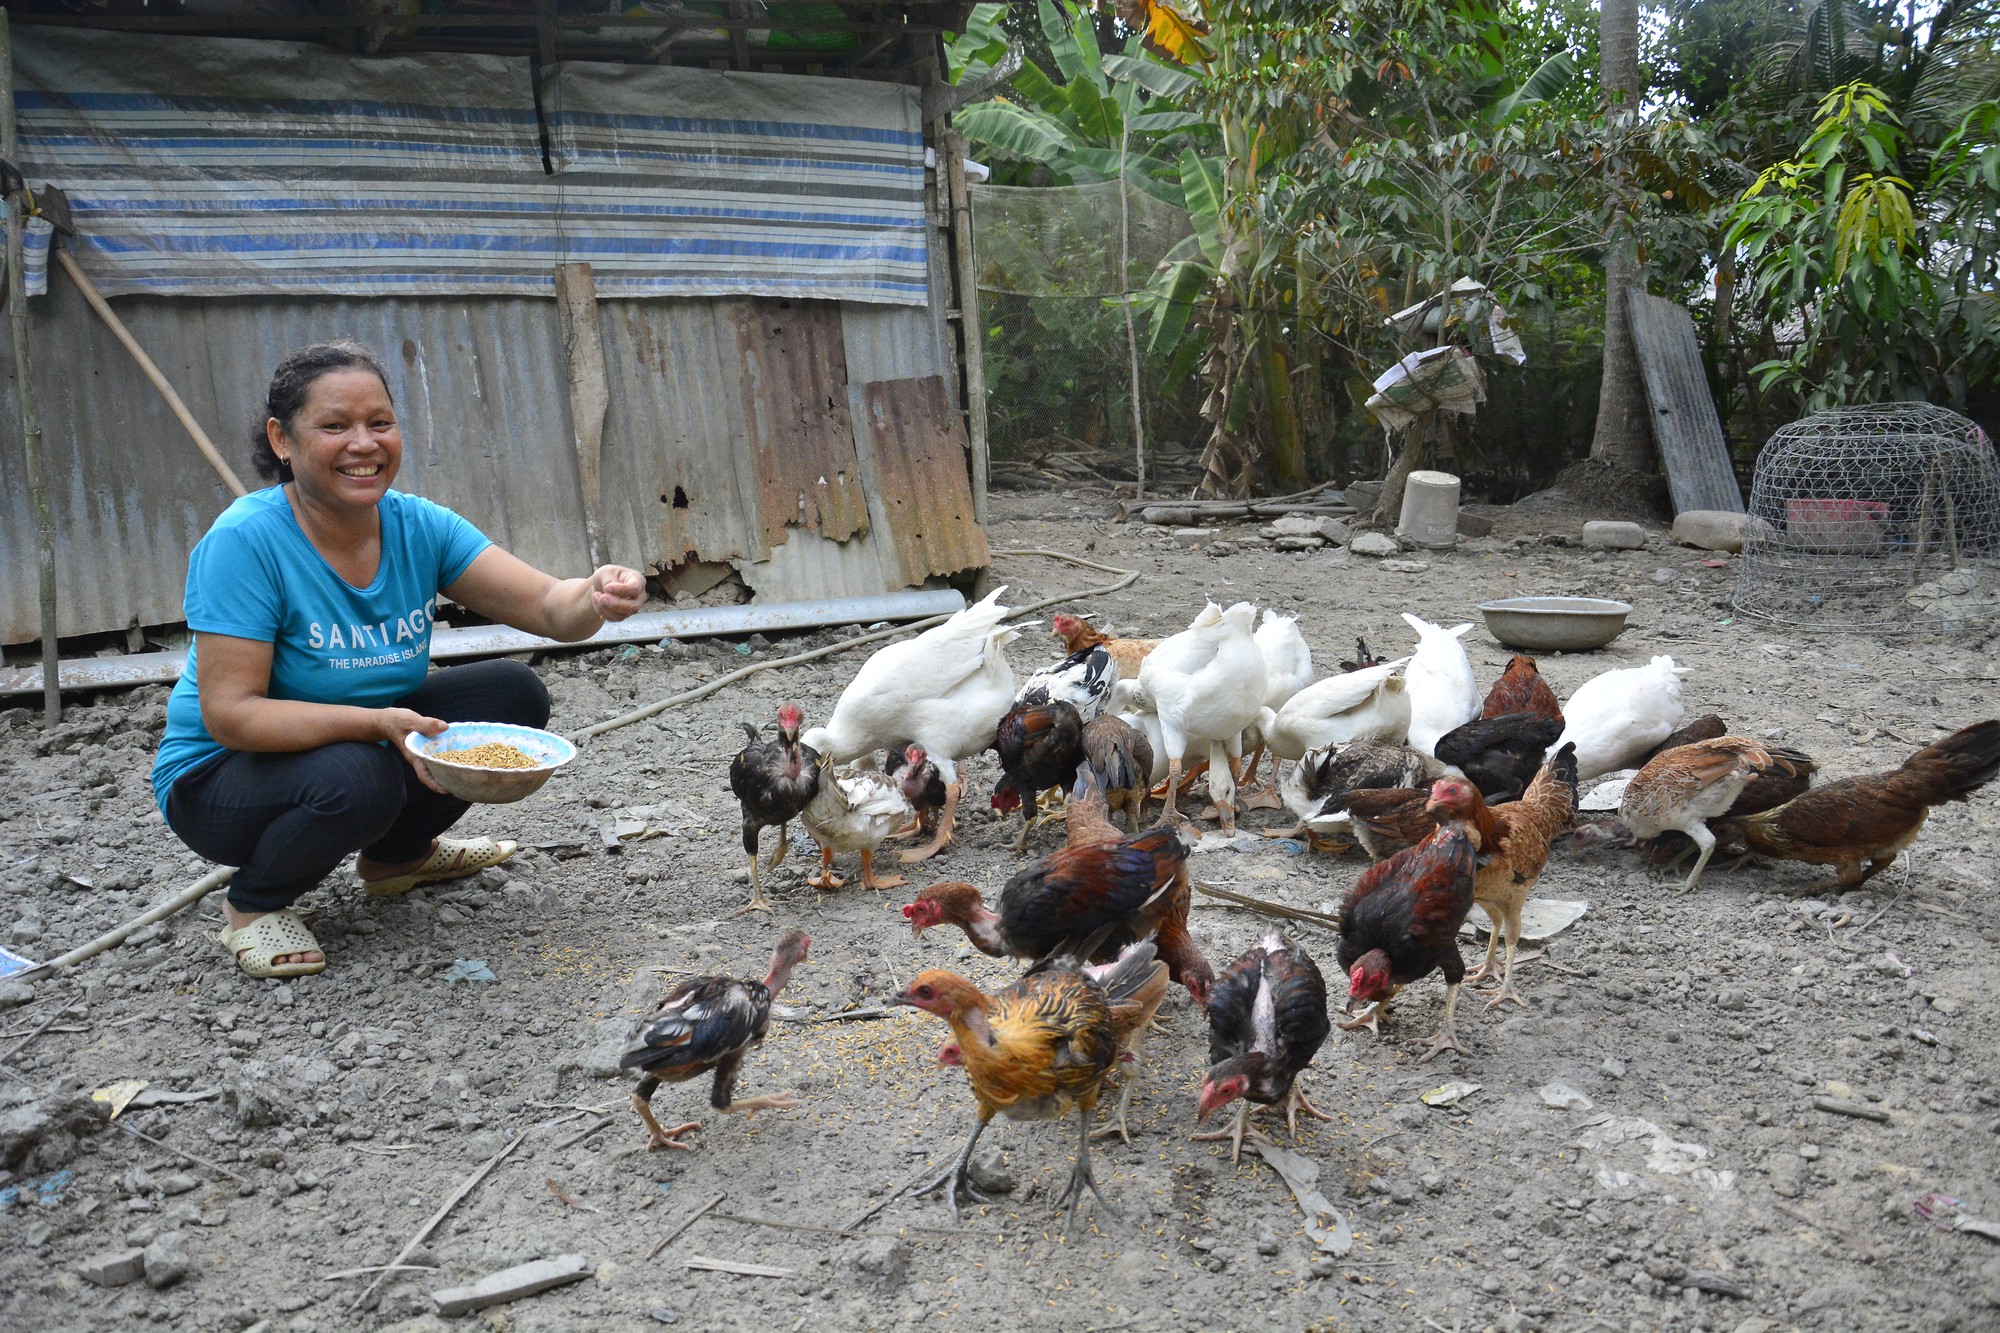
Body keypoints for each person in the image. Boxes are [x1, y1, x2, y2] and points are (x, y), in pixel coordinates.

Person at [149, 340, 646, 979]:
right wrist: (378, 725)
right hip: (222, 778)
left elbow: (552, 607)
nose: (364, 444)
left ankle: (397, 858)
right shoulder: (244, 543)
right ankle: (254, 904)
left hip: (362, 743)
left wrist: (597, 594)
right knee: (363, 775)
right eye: (335, 426)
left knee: (512, 694)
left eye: (379, 423)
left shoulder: (417, 526)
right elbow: (231, 715)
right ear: (282, 440)